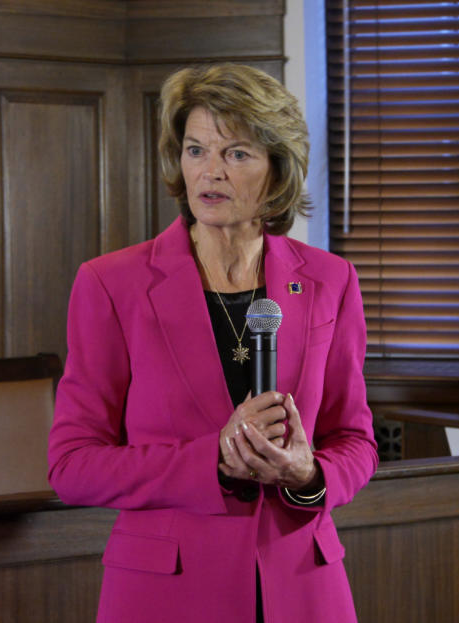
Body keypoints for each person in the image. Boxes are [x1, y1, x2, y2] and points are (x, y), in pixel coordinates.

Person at [48, 63, 378, 623]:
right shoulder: (112, 284)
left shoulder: (330, 281)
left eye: (237, 154)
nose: (210, 172)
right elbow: (73, 466)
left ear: (277, 170)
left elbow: (354, 440)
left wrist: (309, 474)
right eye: (196, 150)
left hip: (303, 585)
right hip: (166, 589)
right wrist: (213, 462)